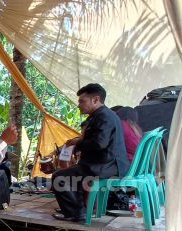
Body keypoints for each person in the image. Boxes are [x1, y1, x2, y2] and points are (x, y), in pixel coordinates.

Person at [52, 83, 129, 222]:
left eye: (82, 101)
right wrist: (78, 142)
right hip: (106, 163)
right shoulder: (102, 115)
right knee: (71, 173)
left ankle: (75, 213)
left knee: (59, 176)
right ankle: (76, 208)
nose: (79, 105)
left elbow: (99, 143)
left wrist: (78, 144)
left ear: (95, 100)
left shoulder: (104, 117)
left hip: (107, 166)